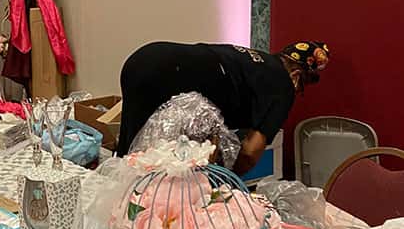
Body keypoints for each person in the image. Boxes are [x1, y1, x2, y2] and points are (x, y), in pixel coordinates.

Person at [115, 40, 330, 173]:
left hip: (144, 57)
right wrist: (229, 184)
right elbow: (250, 151)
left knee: (130, 152)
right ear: (296, 75)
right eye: (302, 85)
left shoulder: (258, 62)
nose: (298, 91)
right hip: (168, 74)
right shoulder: (282, 85)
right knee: (150, 167)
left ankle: (113, 216)